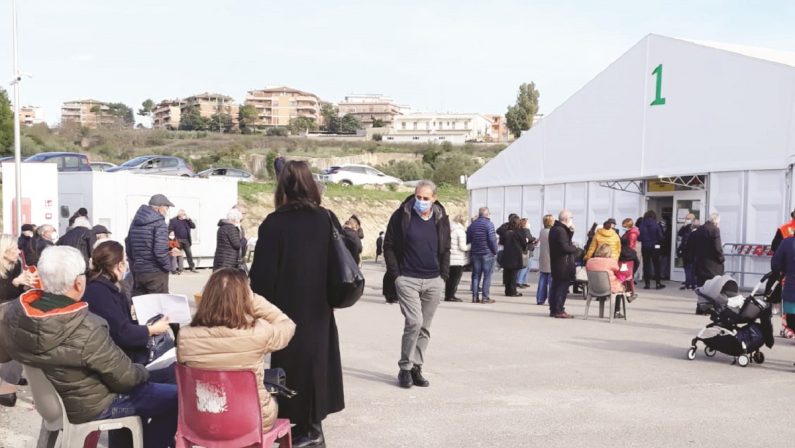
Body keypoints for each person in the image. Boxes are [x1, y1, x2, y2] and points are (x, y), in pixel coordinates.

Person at [0, 246, 177, 448]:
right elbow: (126, 380)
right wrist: (144, 371)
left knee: (159, 379)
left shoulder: (13, 312)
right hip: (92, 403)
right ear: (78, 282)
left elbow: (3, 356)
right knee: (176, 397)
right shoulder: (87, 326)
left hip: (55, 401)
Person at [249, 161, 345, 447]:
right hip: (319, 306)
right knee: (317, 363)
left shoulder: (274, 222)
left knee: (289, 365)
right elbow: (344, 257)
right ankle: (312, 425)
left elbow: (261, 277)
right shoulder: (325, 218)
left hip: (284, 308)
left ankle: (302, 426)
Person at [178, 268, 296, 433]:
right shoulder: (258, 333)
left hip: (203, 420)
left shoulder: (185, 336)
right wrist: (254, 300)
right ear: (246, 298)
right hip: (252, 420)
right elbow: (287, 325)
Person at [384, 180, 451, 389]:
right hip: (408, 279)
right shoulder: (402, 215)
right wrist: (396, 275)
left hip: (434, 279)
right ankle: (405, 367)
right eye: (418, 197)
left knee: (425, 327)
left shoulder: (441, 218)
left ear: (434, 199)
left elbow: (446, 247)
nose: (421, 201)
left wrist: (443, 276)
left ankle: (416, 367)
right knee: (414, 321)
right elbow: (389, 245)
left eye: (425, 198)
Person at [83, 241, 175, 384]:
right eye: (125, 261)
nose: (127, 265)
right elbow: (121, 333)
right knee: (171, 367)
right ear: (119, 265)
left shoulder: (99, 286)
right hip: (119, 361)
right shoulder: (102, 292)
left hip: (111, 354)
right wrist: (151, 329)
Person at [0, 234, 39, 407]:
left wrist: (27, 284)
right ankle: (6, 383)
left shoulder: (16, 265)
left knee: (21, 333)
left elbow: (16, 294)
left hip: (11, 307)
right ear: (4, 250)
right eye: (14, 248)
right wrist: (16, 282)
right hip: (4, 308)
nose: (18, 250)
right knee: (15, 334)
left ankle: (9, 379)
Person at [127, 194, 173, 296]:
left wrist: (135, 265)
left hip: (139, 272)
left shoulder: (135, 223)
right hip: (155, 272)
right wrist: (168, 267)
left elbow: (129, 246)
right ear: (159, 207)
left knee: (141, 307)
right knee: (158, 307)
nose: (167, 210)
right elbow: (160, 252)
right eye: (166, 207)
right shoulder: (160, 224)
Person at [548, 210, 579, 318]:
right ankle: (559, 310)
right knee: (562, 287)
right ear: (566, 218)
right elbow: (564, 247)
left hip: (557, 262)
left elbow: (566, 241)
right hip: (563, 264)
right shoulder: (560, 230)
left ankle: (554, 309)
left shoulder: (556, 229)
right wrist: (575, 248)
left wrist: (571, 232)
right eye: (571, 218)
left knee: (556, 286)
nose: (571, 220)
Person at [586, 244, 626, 318]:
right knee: (620, 284)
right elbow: (617, 270)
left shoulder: (590, 261)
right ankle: (617, 311)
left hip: (593, 288)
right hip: (608, 288)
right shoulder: (611, 261)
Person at [467, 207, 498, 303]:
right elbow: (492, 239)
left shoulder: (472, 225)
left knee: (476, 275)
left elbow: (468, 239)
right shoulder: (489, 224)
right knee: (487, 275)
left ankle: (475, 297)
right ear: (487, 214)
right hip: (487, 253)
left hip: (475, 253)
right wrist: (495, 251)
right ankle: (485, 297)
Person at [690, 213, 725, 287]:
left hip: (700, 264)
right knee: (713, 288)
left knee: (702, 287)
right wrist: (721, 259)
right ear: (716, 222)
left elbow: (694, 246)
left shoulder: (700, 229)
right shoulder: (714, 230)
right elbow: (717, 247)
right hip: (713, 266)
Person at [501, 215, 528, 297]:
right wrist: (523, 248)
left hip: (506, 253)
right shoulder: (520, 231)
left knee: (507, 273)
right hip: (516, 254)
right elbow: (524, 243)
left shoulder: (506, 231)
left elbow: (501, 241)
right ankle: (513, 291)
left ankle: (507, 290)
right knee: (513, 274)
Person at [639, 210, 665, 290]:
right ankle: (658, 283)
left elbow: (639, 237)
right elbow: (660, 237)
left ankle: (647, 284)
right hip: (655, 246)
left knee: (646, 265)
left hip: (645, 246)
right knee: (657, 265)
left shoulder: (642, 225)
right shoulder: (656, 225)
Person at [445, 215, 469, 302]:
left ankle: (448, 295)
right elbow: (463, 247)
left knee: (449, 279)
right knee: (455, 279)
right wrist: (471, 246)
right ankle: (451, 296)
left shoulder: (450, 230)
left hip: (450, 257)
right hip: (458, 259)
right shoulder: (460, 232)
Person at [536, 214, 555, 306]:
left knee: (542, 278)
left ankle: (540, 298)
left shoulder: (542, 231)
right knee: (552, 280)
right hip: (551, 257)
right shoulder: (552, 232)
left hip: (543, 257)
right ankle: (551, 300)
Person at [677, 213, 697, 290]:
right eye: (686, 218)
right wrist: (684, 225)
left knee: (691, 268)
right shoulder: (686, 227)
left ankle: (691, 283)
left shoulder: (694, 228)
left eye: (688, 218)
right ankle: (688, 282)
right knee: (687, 268)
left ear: (693, 219)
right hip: (685, 251)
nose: (686, 220)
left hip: (692, 251)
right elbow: (680, 234)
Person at [516, 218, 536, 289]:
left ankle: (524, 281)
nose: (529, 224)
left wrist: (532, 240)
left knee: (527, 267)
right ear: (525, 224)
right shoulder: (525, 231)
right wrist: (533, 239)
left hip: (528, 250)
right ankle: (519, 281)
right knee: (525, 267)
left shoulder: (523, 230)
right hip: (527, 251)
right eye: (528, 223)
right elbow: (528, 238)